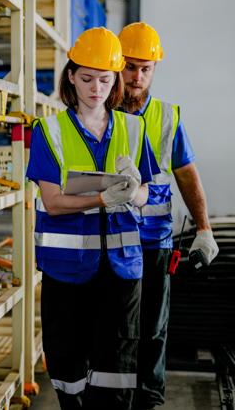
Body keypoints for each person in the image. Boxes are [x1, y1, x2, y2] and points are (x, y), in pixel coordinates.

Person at [26, 27, 160, 409]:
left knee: (116, 367)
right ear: (70, 76)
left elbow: (147, 194)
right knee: (68, 366)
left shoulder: (135, 129)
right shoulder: (49, 130)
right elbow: (52, 202)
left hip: (121, 270)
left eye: (105, 79)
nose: (96, 88)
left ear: (116, 79)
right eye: (86, 78)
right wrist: (102, 198)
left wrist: (133, 190)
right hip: (66, 269)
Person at [117, 22, 220, 410]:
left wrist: (204, 229)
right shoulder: (97, 113)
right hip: (108, 241)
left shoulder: (167, 117)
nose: (137, 77)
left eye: (145, 69)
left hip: (155, 242)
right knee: (115, 329)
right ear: (117, 65)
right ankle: (116, 397)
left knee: (152, 330)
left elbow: (187, 174)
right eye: (130, 67)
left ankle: (146, 400)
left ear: (154, 69)